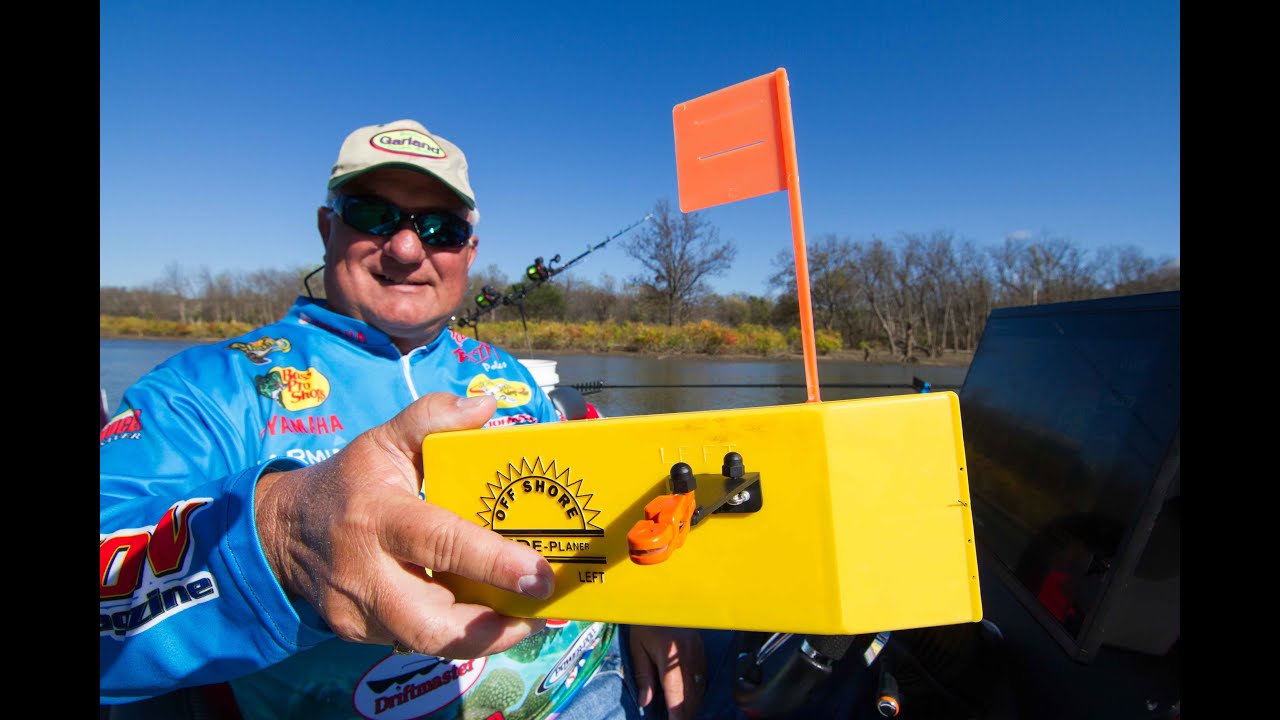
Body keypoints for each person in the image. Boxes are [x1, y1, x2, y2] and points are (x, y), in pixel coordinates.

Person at [100, 119, 708, 720]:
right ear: (326, 227)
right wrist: (282, 538)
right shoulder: (206, 389)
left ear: (468, 253)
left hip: (603, 682)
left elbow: (600, 504)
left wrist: (652, 604)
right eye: (373, 215)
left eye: (440, 228)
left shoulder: (511, 374)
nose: (407, 248)